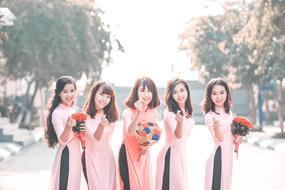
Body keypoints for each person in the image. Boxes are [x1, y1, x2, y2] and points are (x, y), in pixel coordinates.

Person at [119, 76, 160, 190]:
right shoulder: (128, 112)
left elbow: (154, 134)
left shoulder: (153, 112)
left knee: (143, 185)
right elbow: (130, 132)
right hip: (127, 153)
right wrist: (138, 113)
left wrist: (146, 146)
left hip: (143, 154)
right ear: (136, 92)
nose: (146, 94)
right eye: (142, 90)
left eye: (149, 90)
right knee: (130, 185)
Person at [201, 78, 242, 190]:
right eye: (214, 93)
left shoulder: (229, 112)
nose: (219, 97)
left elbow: (230, 136)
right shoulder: (210, 116)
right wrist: (217, 127)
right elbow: (219, 139)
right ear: (209, 96)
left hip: (228, 155)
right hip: (217, 156)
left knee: (226, 185)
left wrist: (238, 138)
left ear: (227, 93)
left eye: (222, 92)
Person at [45, 76, 84, 190]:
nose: (69, 95)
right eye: (65, 91)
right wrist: (68, 126)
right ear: (58, 93)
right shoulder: (57, 113)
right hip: (67, 155)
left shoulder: (72, 109)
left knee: (73, 185)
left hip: (75, 154)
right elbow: (63, 140)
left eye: (72, 91)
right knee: (65, 186)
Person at [156, 78, 195, 190]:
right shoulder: (169, 113)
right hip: (170, 155)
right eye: (175, 92)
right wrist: (180, 122)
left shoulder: (188, 111)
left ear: (187, 91)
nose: (179, 95)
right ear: (170, 95)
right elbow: (178, 135)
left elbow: (186, 135)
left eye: (182, 90)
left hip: (181, 154)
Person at [82, 81, 120, 189]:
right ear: (94, 93)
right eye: (101, 94)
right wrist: (101, 125)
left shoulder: (109, 115)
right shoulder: (85, 116)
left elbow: (107, 139)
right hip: (92, 158)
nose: (104, 99)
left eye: (108, 97)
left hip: (108, 158)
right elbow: (96, 138)